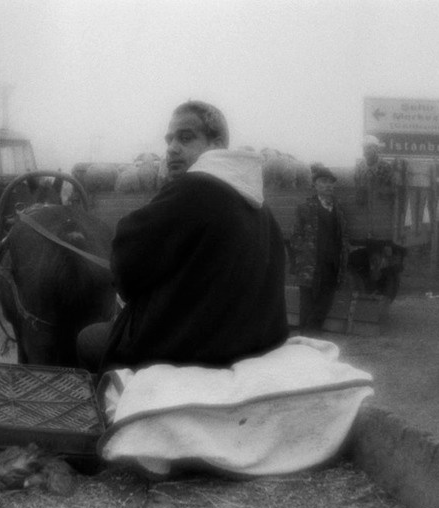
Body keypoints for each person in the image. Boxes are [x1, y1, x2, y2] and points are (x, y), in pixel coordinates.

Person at [78, 100, 288, 371]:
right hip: (250, 344)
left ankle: (108, 397)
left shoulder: (195, 187)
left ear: (217, 145)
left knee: (88, 339)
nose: (172, 148)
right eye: (169, 140)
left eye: (186, 138)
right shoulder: (260, 207)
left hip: (191, 350)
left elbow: (126, 261)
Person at [290, 167, 349, 332]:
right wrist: (305, 255)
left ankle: (311, 333)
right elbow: (295, 236)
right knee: (307, 300)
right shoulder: (305, 208)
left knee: (326, 299)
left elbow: (342, 235)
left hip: (332, 263)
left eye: (331, 182)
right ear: (315, 185)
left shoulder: (338, 209)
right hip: (310, 263)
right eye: (323, 182)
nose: (328, 185)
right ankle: (305, 334)